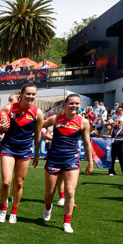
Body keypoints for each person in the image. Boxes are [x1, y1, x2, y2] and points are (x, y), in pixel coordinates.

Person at [42, 94, 93, 233]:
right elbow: (40, 125)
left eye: (77, 103)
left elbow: (87, 143)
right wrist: (46, 135)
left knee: (70, 191)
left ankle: (67, 222)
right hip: (54, 158)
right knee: (50, 192)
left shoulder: (83, 122)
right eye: (71, 103)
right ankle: (48, 208)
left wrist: (90, 162)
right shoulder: (56, 118)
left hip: (71, 159)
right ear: (65, 105)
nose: (74, 106)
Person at [0, 83, 44, 224]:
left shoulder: (37, 113)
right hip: (8, 148)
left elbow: (38, 135)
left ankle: (14, 212)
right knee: (6, 182)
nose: (31, 97)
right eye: (28, 94)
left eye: (33, 94)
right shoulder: (9, 108)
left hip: (24, 150)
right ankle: (3, 209)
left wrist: (37, 153)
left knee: (19, 183)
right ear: (21, 94)